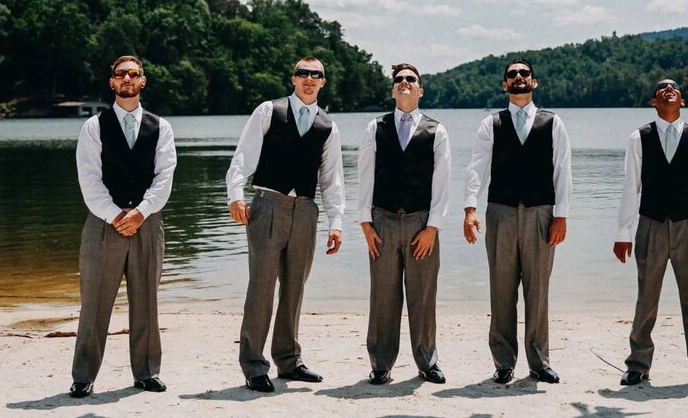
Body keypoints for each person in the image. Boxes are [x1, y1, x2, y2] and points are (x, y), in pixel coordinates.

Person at [225, 56, 345, 393]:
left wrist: (336, 222)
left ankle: (289, 360)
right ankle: (253, 365)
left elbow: (332, 179)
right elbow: (243, 157)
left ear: (323, 82)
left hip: (306, 211)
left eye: (316, 75)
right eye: (303, 73)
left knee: (295, 288)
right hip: (267, 206)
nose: (309, 79)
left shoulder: (328, 126)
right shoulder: (269, 111)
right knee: (261, 287)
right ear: (293, 78)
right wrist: (236, 194)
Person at [613, 79, 688, 390]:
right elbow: (630, 187)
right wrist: (623, 230)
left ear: (682, 101)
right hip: (650, 224)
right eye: (662, 88)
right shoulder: (638, 138)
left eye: (674, 88)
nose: (668, 89)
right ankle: (638, 365)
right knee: (647, 297)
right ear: (654, 101)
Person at [69, 55, 177, 398]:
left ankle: (146, 372)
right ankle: (84, 376)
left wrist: (141, 212)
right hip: (104, 225)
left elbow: (164, 177)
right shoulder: (94, 127)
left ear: (143, 81)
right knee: (95, 303)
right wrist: (116, 214)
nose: (127, 79)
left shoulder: (161, 127)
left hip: (148, 223)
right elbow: (89, 178)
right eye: (121, 74)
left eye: (134, 73)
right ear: (112, 82)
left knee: (146, 301)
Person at [463, 58, 571, 384]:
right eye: (512, 75)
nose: (519, 77)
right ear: (505, 85)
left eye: (524, 73)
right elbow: (477, 168)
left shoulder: (553, 123)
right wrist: (470, 208)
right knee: (502, 290)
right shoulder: (491, 124)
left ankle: (539, 362)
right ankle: (504, 361)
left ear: (534, 82)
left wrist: (561, 215)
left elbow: (562, 171)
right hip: (501, 213)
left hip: (541, 214)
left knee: (538, 291)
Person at [357, 63, 451, 385]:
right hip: (382, 221)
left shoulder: (436, 131)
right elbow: (364, 178)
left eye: (411, 79)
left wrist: (432, 228)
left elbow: (442, 185)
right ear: (393, 89)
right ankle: (381, 363)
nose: (404, 83)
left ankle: (427, 361)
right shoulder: (375, 128)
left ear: (420, 90)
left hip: (421, 223)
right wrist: (366, 224)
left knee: (423, 295)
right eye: (399, 80)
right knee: (383, 295)